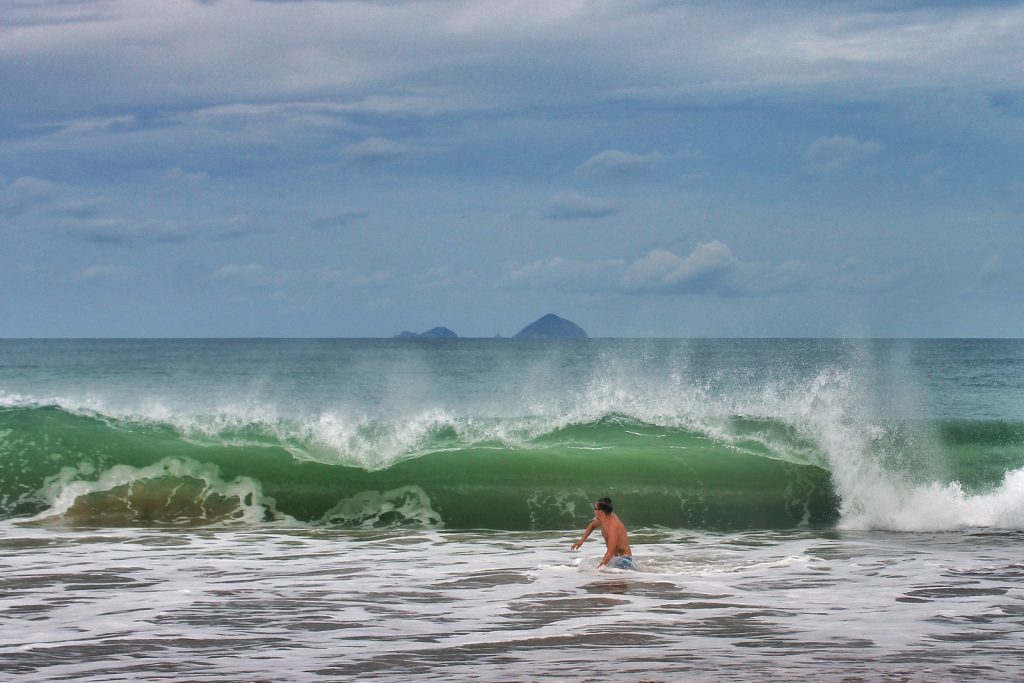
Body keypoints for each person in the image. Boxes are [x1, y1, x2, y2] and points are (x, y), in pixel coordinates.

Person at [570, 496, 633, 569]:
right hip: (614, 558)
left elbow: (610, 551)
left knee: (604, 573)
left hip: (624, 559)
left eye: (595, 508)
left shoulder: (613, 526)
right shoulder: (603, 519)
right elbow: (592, 526)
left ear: (601, 511)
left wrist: (599, 568)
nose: (594, 511)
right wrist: (582, 540)